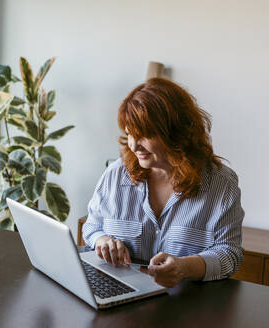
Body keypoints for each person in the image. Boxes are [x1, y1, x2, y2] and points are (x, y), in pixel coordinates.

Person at [82, 77, 244, 288]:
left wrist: (184, 267)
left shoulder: (221, 185)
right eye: (130, 133)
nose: (134, 146)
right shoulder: (115, 175)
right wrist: (102, 241)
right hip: (122, 302)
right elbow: (92, 228)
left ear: (176, 133)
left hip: (187, 308)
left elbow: (229, 255)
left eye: (145, 135)